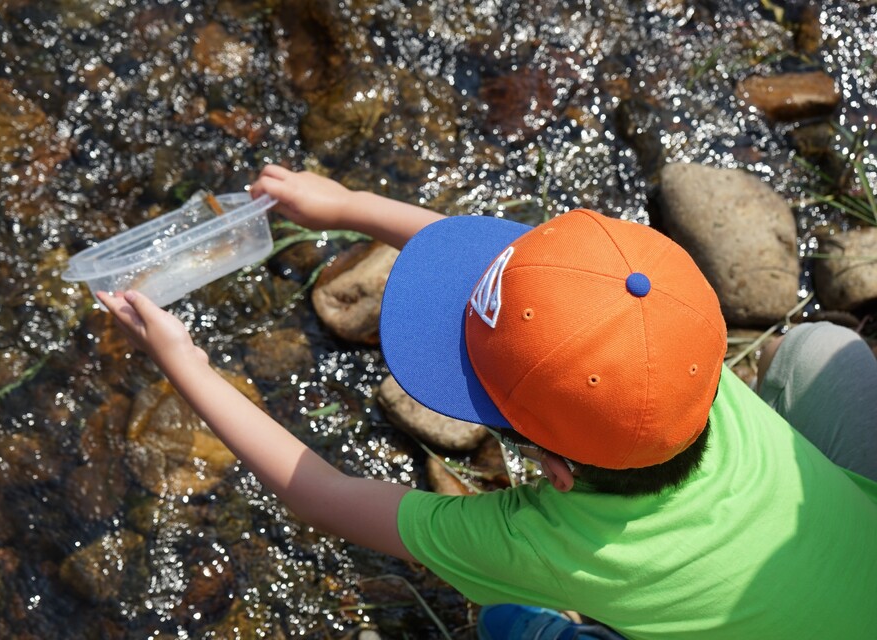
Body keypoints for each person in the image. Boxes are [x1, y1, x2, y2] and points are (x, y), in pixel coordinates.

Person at [97, 165, 877, 640]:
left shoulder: (540, 544)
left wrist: (183, 361)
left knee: (508, 624)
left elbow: (321, 495)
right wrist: (352, 206)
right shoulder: (682, 357)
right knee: (813, 353)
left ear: (554, 472)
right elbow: (531, 277)